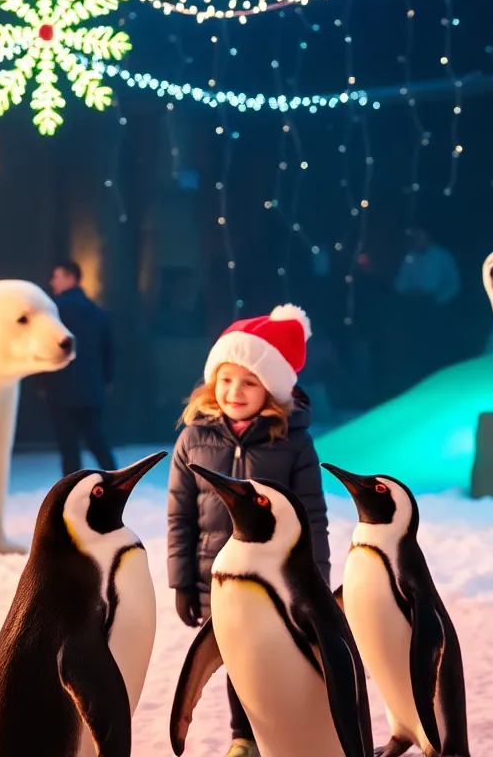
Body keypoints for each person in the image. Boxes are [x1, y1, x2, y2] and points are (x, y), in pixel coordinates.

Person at [166, 304, 330, 757]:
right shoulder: (192, 439)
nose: (234, 391)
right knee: (239, 658)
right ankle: (244, 737)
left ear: (273, 390)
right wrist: (182, 580)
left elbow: (312, 516)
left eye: (249, 381)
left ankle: (280, 734)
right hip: (217, 575)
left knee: (275, 658)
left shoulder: (294, 442)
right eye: (225, 378)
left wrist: (314, 581)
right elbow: (180, 515)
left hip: (277, 575)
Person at [37, 260, 118, 476]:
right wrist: (106, 381)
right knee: (98, 442)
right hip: (92, 389)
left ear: (70, 278)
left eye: (56, 277)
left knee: (69, 449)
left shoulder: (53, 312)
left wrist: (43, 384)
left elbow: (44, 347)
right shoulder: (98, 312)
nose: (52, 282)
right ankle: (119, 483)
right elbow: (108, 351)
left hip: (60, 390)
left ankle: (71, 493)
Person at [389, 225, 462, 394]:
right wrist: (409, 293)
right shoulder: (410, 257)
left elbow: (453, 282)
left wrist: (439, 300)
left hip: (435, 307)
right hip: (414, 307)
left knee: (435, 345)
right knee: (415, 347)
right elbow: (400, 282)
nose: (416, 240)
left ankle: (437, 380)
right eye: (414, 237)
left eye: (419, 236)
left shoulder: (442, 256)